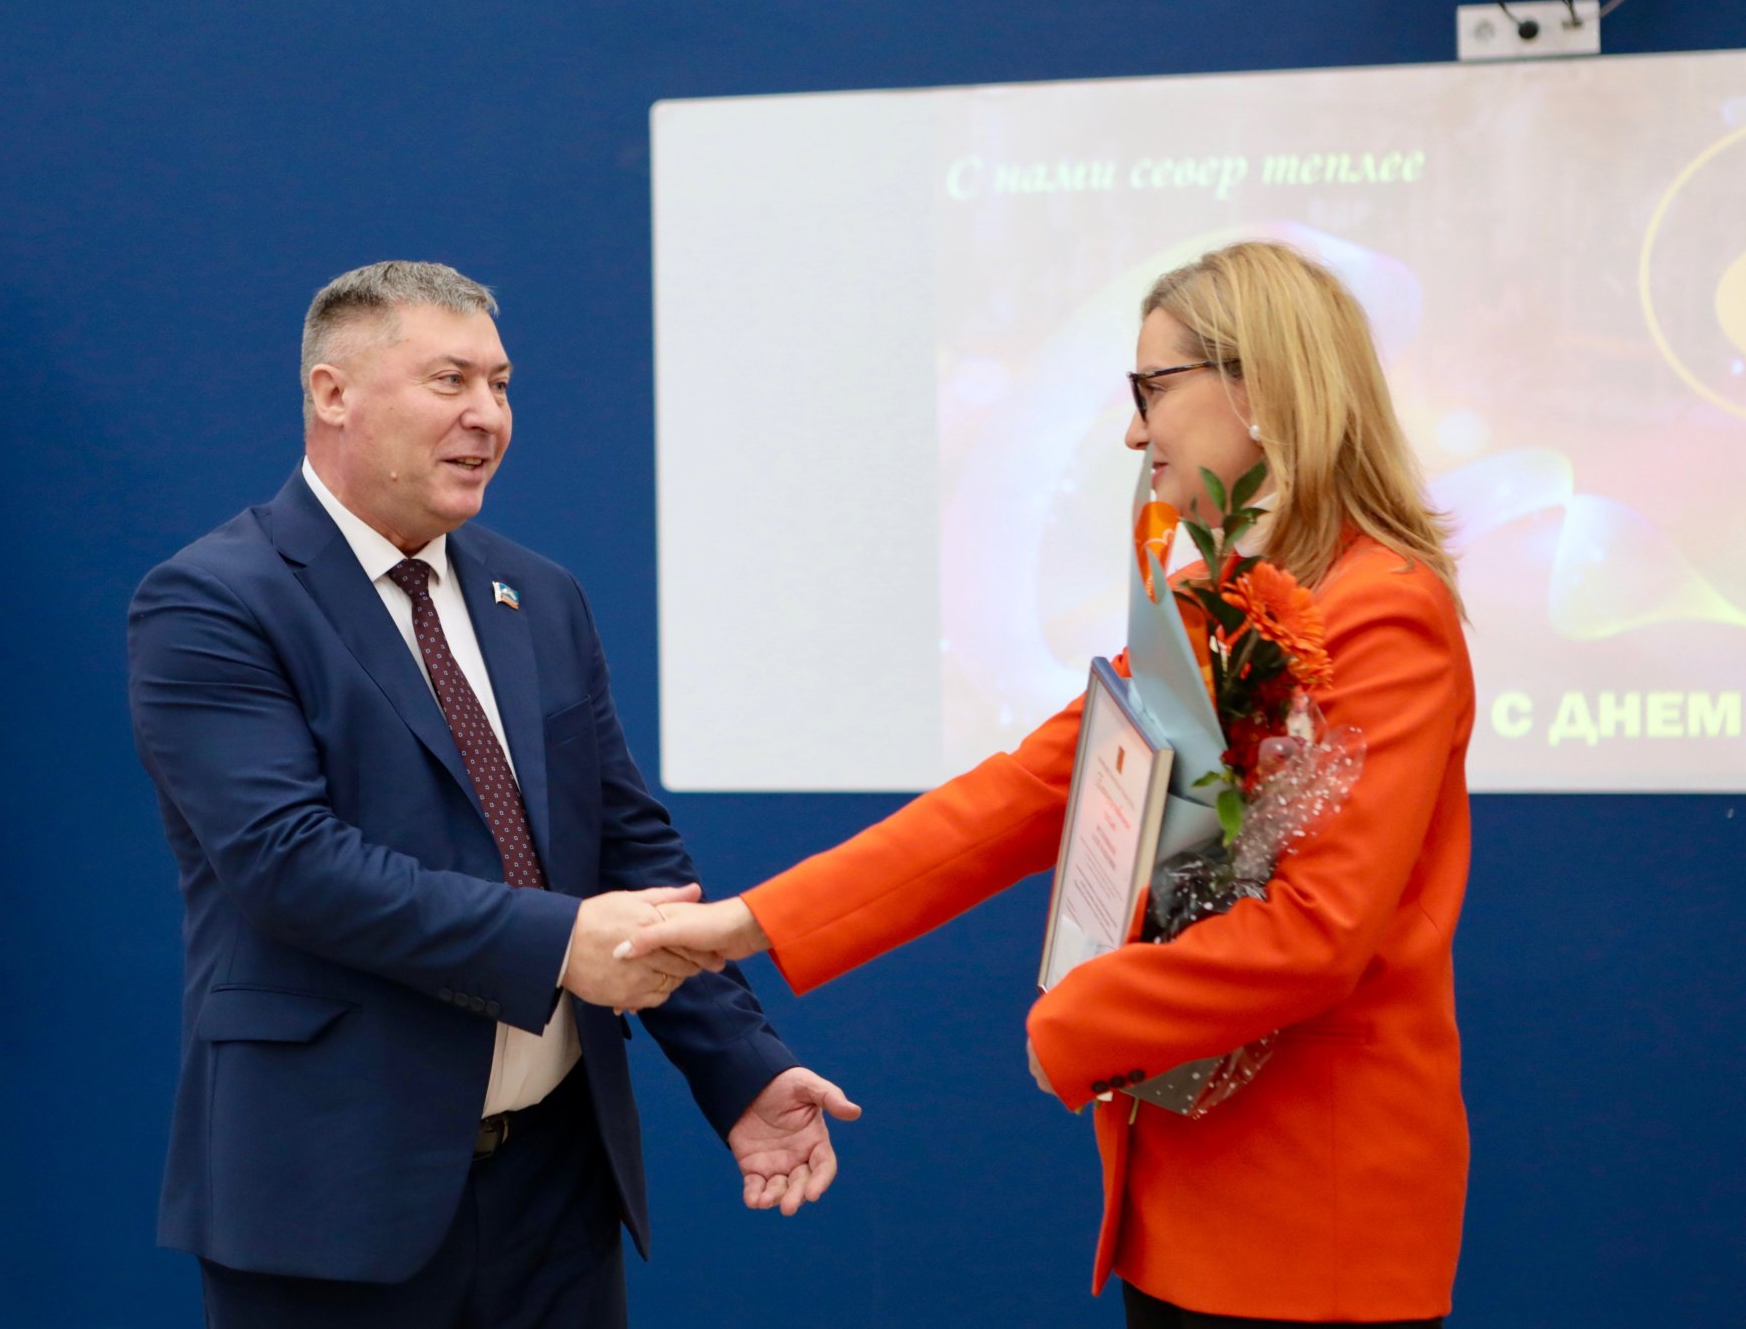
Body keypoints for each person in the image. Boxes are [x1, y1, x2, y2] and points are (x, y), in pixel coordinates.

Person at [618, 242, 1471, 1328]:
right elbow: (1023, 793)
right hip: (1186, 1182)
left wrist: (1084, 1016)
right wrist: (745, 925)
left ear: (1259, 387)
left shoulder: (1384, 608)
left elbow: (1322, 929)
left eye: (1150, 390)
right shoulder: (1210, 597)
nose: (1133, 434)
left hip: (1317, 1198)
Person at [127, 260, 857, 1328]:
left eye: (501, 385)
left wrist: (738, 1067)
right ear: (333, 393)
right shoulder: (213, 600)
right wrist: (560, 945)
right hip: (335, 1200)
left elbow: (627, 852)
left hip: (557, 1190)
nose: (488, 415)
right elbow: (288, 864)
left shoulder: (538, 595)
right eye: (450, 381)